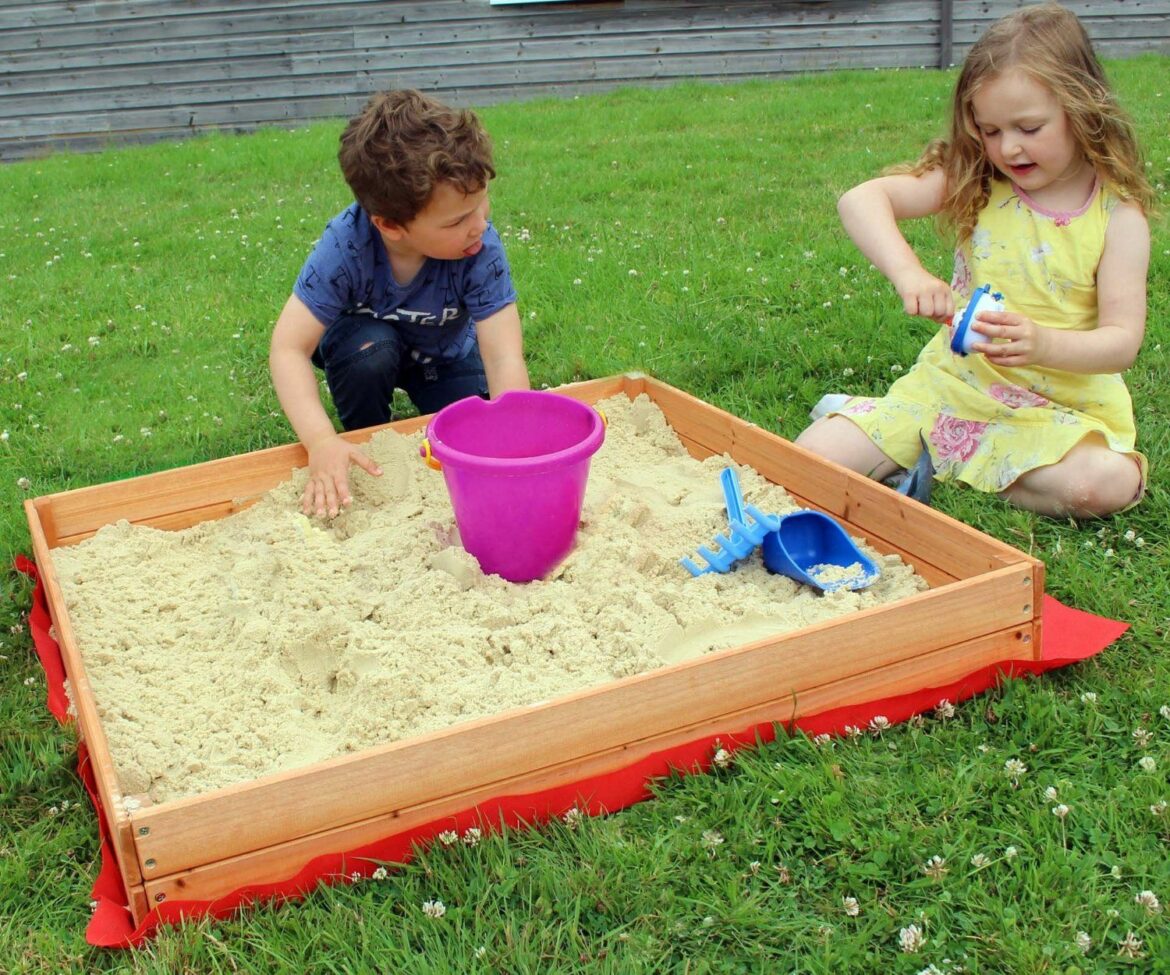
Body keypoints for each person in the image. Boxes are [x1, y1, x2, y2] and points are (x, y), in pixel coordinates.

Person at [796, 3, 1155, 518]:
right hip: (951, 392)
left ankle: (952, 461)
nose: (1007, 147)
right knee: (814, 455)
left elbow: (1121, 344)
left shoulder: (1117, 218)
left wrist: (1043, 343)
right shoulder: (979, 182)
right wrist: (909, 273)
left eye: (1029, 128)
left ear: (1082, 108)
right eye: (988, 130)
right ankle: (959, 453)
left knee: (1105, 484)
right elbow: (861, 200)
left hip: (1057, 412)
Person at [270, 89, 530, 518]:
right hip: (366, 345)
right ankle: (368, 437)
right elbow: (288, 347)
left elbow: (503, 357)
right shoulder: (345, 246)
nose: (479, 224)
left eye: (480, 202)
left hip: (443, 353)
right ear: (391, 226)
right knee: (370, 351)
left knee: (476, 421)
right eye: (458, 220)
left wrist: (512, 438)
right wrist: (320, 440)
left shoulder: (480, 245)